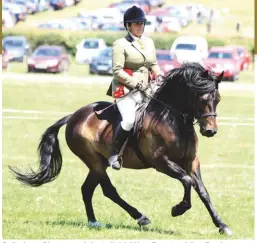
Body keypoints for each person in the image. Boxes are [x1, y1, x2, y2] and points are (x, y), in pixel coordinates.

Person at [106, 5, 164, 170]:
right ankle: (114, 153)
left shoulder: (148, 42)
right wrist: (136, 83)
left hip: (147, 88)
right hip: (125, 91)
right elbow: (117, 71)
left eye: (142, 23)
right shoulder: (120, 44)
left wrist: (160, 76)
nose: (140, 26)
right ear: (128, 26)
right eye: (136, 23)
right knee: (130, 120)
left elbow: (153, 64)